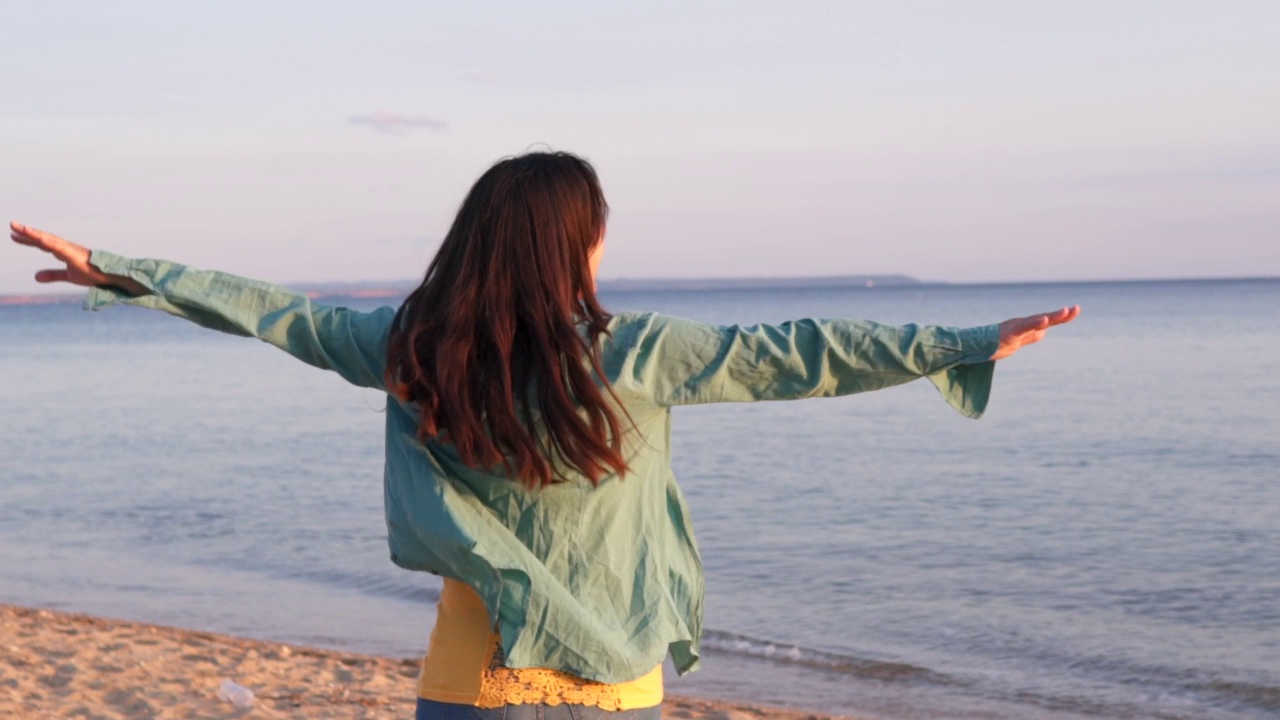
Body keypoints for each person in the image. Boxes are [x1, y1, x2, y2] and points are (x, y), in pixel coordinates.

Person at [10, 150, 1079, 720]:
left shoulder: (410, 346)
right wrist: (961, 338)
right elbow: (802, 350)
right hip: (613, 689)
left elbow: (277, 312)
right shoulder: (636, 352)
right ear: (581, 243)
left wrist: (126, 270)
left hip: (469, 685)